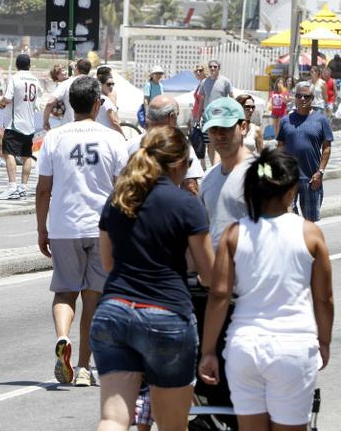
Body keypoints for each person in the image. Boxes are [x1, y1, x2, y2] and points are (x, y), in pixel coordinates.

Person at [199, 148, 333, 430]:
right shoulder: (310, 233)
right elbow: (324, 298)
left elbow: (220, 295)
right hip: (294, 347)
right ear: (291, 189)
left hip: (245, 346)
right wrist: (324, 341)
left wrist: (209, 350)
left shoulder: (234, 234)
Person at [91, 125, 214, 431]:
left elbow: (108, 263)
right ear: (177, 164)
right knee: (172, 424)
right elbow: (208, 273)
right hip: (165, 313)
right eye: (187, 164)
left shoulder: (119, 199)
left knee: (112, 418)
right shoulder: (186, 205)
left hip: (113, 310)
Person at [36, 76, 128, 387]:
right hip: (101, 227)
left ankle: (63, 336)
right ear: (97, 103)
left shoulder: (54, 138)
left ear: (70, 104)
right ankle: (85, 367)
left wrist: (41, 228)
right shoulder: (114, 138)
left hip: (64, 225)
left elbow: (43, 189)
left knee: (64, 291)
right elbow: (123, 187)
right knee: (93, 296)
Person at [199, 97, 252, 250]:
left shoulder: (261, 172)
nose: (219, 135)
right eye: (213, 129)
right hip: (217, 271)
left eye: (226, 128)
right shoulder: (208, 178)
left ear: (243, 127)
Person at [277, 81, 333, 222]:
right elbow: (280, 147)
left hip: (311, 178)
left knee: (310, 222)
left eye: (306, 96)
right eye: (299, 96)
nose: (302, 99)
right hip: (290, 178)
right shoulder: (285, 120)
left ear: (312, 99)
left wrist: (320, 172)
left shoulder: (321, 120)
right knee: (289, 219)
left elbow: (327, 147)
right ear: (294, 97)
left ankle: (308, 243)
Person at [127, 95, 204, 195]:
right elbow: (190, 186)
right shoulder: (179, 144)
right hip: (169, 207)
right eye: (177, 115)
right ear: (172, 117)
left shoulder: (129, 145)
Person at [0, 54, 39, 200]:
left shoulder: (15, 78)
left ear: (16, 65)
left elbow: (7, 99)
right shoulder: (35, 80)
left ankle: (12, 186)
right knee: (26, 156)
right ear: (29, 65)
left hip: (14, 124)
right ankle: (23, 187)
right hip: (30, 124)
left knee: (9, 153)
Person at [200, 60, 233, 166]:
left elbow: (232, 97)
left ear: (219, 68)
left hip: (221, 116)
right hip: (208, 117)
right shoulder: (204, 82)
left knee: (221, 141)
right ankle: (213, 166)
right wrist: (197, 116)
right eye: (210, 66)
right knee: (209, 143)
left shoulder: (225, 81)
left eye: (215, 66)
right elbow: (202, 99)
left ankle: (221, 163)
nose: (212, 68)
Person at [42, 58, 91, 130]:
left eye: (64, 70)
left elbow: (50, 103)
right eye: (60, 72)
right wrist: (76, 67)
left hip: (69, 126)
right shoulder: (92, 83)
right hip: (87, 126)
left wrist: (45, 121)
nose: (64, 72)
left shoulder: (66, 84)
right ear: (56, 77)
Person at [96, 73, 125, 138]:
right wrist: (123, 136)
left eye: (113, 84)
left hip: (99, 134)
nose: (111, 86)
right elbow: (114, 122)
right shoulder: (106, 100)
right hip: (108, 135)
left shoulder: (96, 98)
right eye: (108, 84)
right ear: (101, 84)